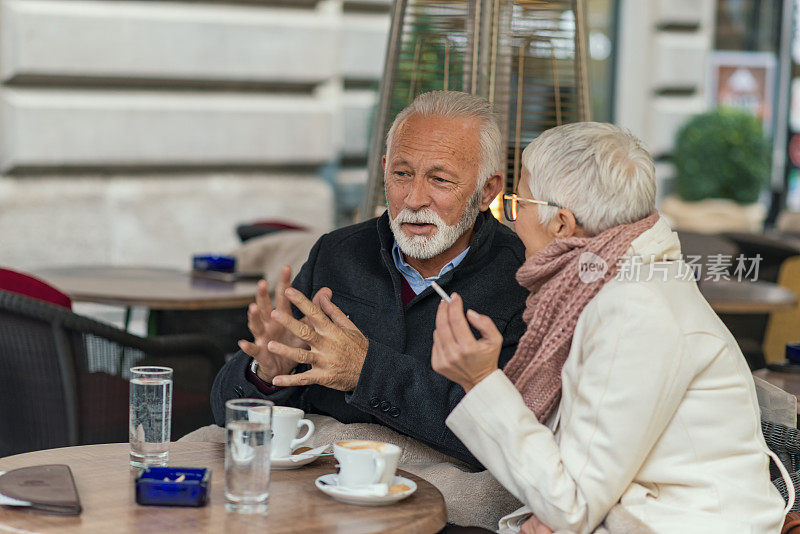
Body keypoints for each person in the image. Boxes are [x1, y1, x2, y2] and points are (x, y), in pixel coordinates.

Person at [431, 122, 789, 532]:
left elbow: (573, 507)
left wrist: (479, 380)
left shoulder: (631, 309)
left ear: (562, 225)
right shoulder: (617, 281)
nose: (511, 221)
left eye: (517, 204)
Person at [211, 91, 528, 468]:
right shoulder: (338, 252)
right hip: (320, 472)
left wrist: (366, 370)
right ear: (383, 170)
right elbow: (226, 413)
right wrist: (266, 373)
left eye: (440, 180)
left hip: (443, 486)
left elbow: (508, 439)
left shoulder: (521, 277)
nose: (413, 199)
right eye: (401, 174)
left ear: (487, 191)